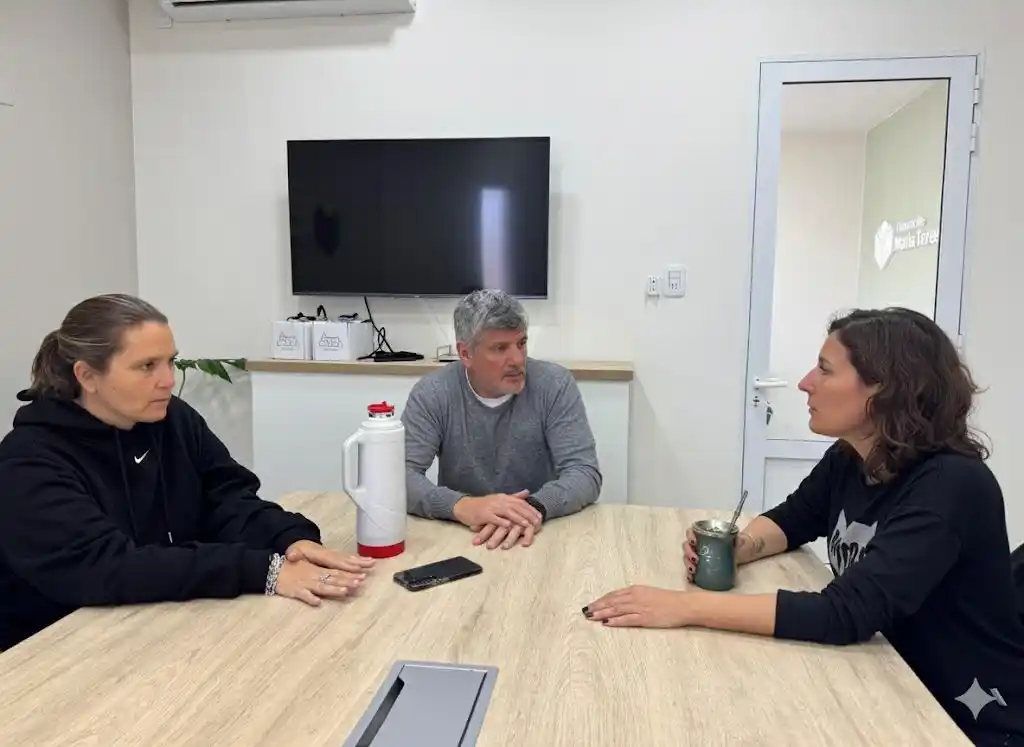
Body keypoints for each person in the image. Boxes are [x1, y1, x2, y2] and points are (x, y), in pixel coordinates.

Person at [584, 308, 1024, 747]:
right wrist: (744, 546)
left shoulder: (952, 485)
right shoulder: (851, 457)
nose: (805, 382)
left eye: (825, 370)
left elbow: (846, 612)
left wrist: (683, 608)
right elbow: (793, 518)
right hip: (883, 681)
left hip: (962, 721)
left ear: (885, 391)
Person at [0, 294, 374, 650]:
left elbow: (227, 497)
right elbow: (106, 567)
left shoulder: (172, 419)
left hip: (155, 623)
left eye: (170, 362)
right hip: (50, 655)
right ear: (87, 376)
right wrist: (264, 570)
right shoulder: (28, 461)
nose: (167, 380)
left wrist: (287, 540)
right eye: (147, 366)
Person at [402, 289, 602, 550]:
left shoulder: (554, 384)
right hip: (462, 535)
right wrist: (462, 506)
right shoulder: (433, 393)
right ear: (466, 354)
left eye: (521, 343)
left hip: (540, 534)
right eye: (500, 348)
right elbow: (398, 476)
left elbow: (584, 473)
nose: (518, 360)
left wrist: (532, 509)